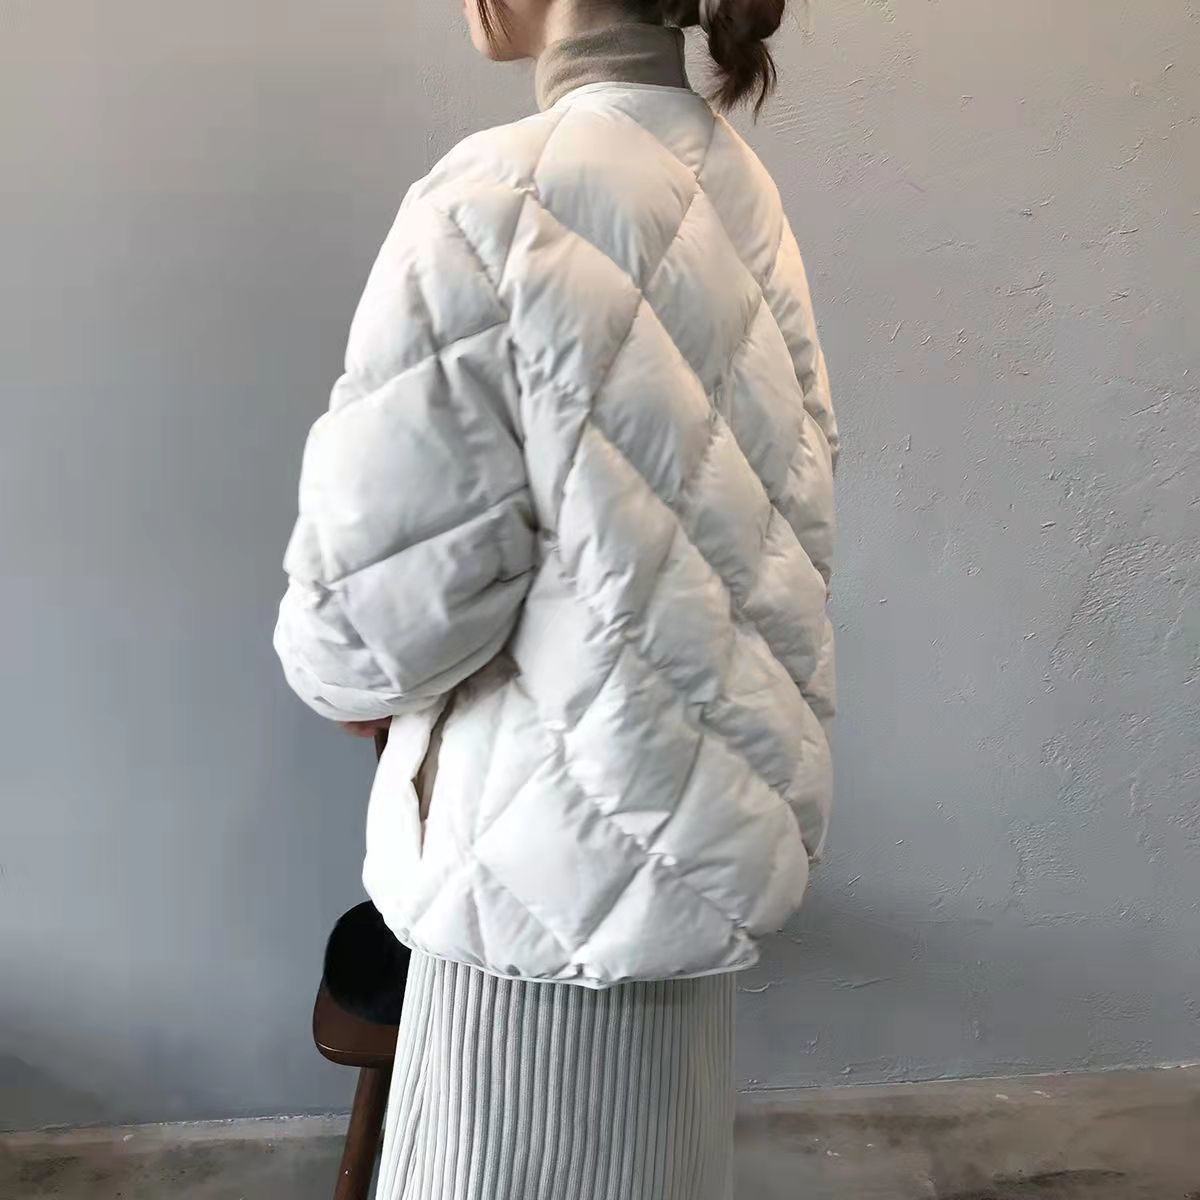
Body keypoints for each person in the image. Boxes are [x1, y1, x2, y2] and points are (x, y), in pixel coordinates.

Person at [274, 0, 838, 1195]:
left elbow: (370, 618)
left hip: (528, 890)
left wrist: (346, 682)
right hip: (689, 868)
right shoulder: (745, 197)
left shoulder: (493, 196)